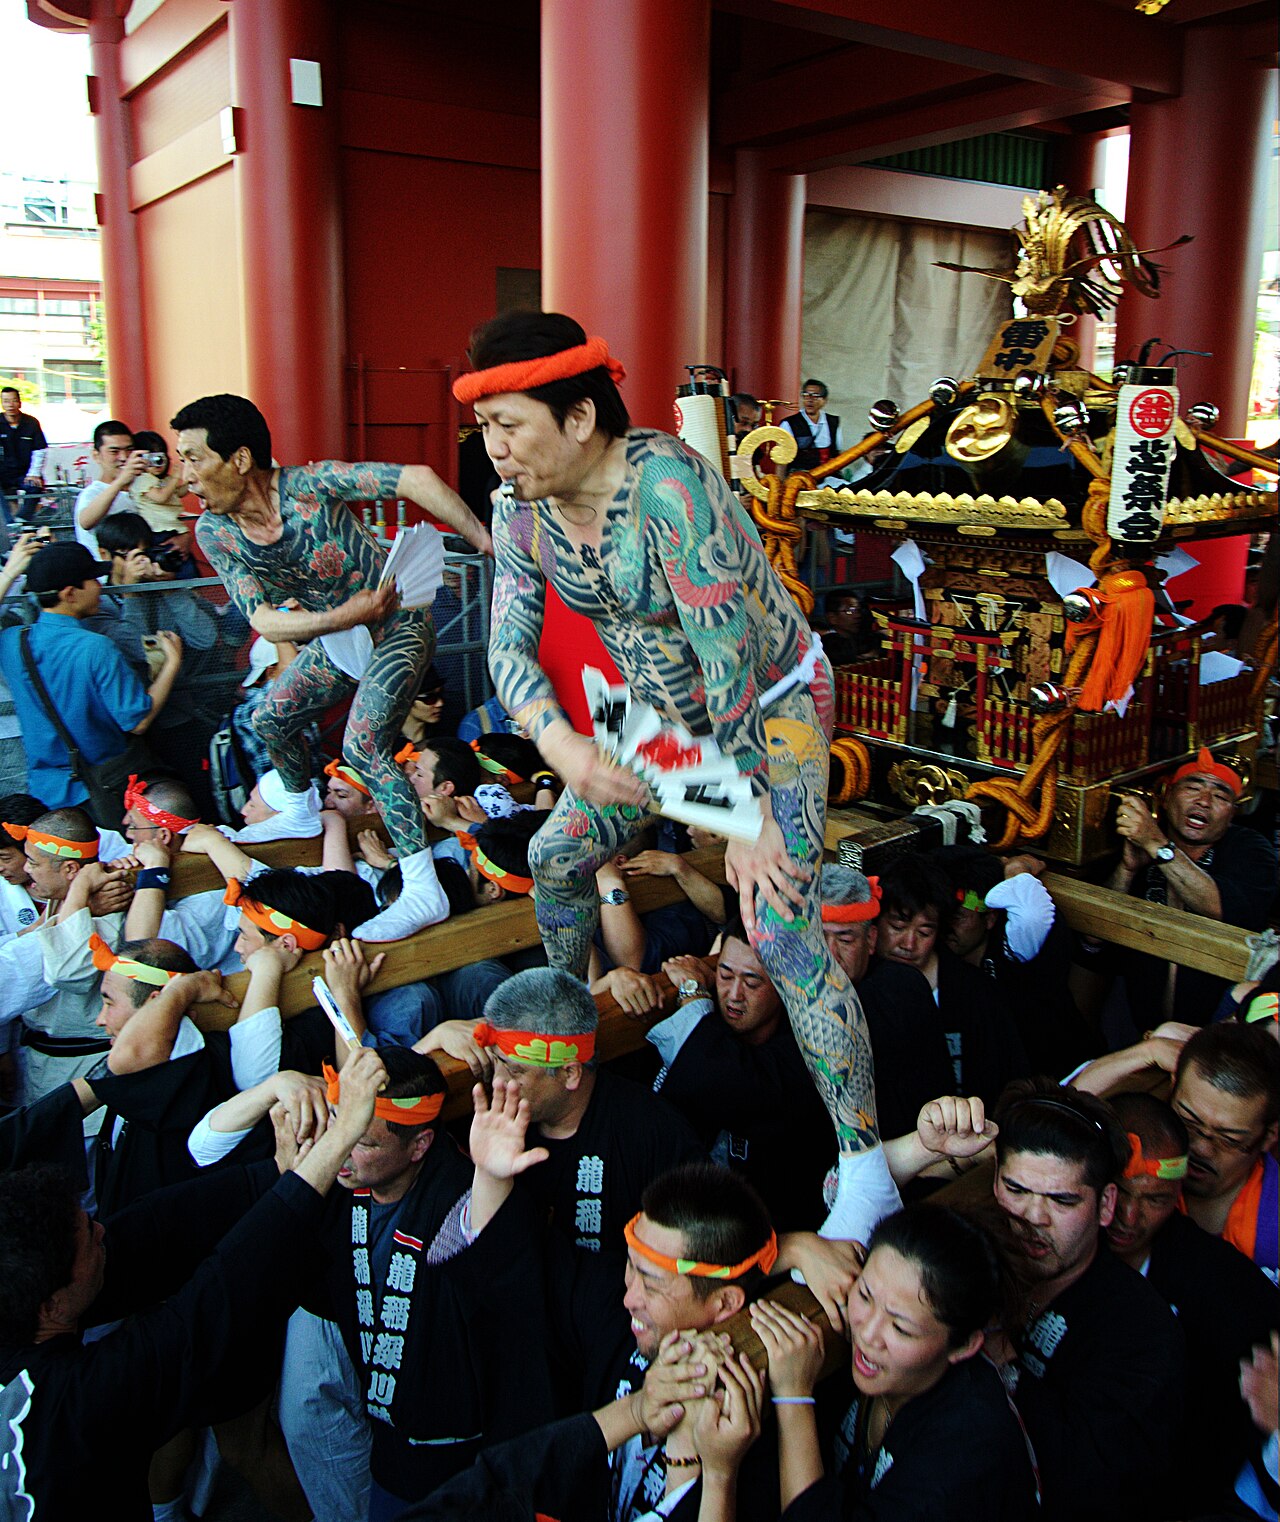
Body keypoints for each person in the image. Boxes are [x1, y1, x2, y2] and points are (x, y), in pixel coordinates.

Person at [462, 310, 897, 1246]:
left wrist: (746, 820)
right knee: (555, 854)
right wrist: (568, 749)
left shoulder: (669, 487)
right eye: (486, 428)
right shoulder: (519, 507)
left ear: (579, 417)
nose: (495, 450)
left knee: (779, 916)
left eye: (511, 426)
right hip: (650, 715)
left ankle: (864, 1166)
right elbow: (506, 646)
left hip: (768, 700)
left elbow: (730, 663)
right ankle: (564, 1028)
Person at [0, 1045, 389, 1521]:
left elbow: (155, 1232)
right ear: (52, 1306)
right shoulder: (75, 1402)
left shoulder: (22, 1296)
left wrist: (279, 1175)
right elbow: (207, 1311)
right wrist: (341, 1136)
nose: (102, 1230)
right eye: (89, 1242)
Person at [172, 391, 492, 940]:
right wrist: (347, 613)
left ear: (241, 459)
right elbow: (266, 622)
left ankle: (422, 889)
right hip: (339, 634)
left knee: (364, 746)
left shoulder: (312, 485)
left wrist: (485, 541)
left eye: (194, 458)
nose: (186, 477)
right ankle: (299, 808)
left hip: (398, 626)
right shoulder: (216, 531)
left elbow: (414, 478)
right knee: (269, 717)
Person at [747, 1203, 1038, 1521]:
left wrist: (793, 1396)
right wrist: (795, 1247)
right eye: (865, 1295)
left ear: (964, 1345)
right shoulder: (867, 1342)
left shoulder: (967, 1450)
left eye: (901, 1328)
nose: (869, 1334)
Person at [991, 1083, 1185, 1522]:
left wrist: (1003, 1358)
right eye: (1017, 1190)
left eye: (1062, 1200)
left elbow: (1100, 1488)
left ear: (1106, 1204)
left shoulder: (1142, 1331)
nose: (1033, 1218)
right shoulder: (973, 1261)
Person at [1106, 1091, 1280, 1516]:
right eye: (1120, 1194)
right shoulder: (1046, 1256)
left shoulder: (1231, 1294)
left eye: (1155, 1199)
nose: (1129, 1217)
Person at [473, 968, 704, 1256]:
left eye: (516, 1070)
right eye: (496, 1062)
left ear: (570, 1072)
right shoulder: (489, 1125)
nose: (498, 1081)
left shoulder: (652, 1132)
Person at [650, 919, 835, 1230]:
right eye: (724, 975)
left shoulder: (809, 1043)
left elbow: (722, 1077)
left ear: (783, 985)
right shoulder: (716, 1028)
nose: (734, 995)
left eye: (752, 983)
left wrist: (693, 992)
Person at [0, 542, 183, 814]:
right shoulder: (96, 647)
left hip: (46, 794)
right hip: (104, 789)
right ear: (70, 593)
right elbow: (138, 721)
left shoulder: (13, 642)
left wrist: (9, 574)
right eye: (93, 580)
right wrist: (172, 663)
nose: (100, 586)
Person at [1101, 749, 1278, 1026]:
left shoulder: (1250, 849)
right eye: (1193, 788)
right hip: (1135, 1017)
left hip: (1221, 1028)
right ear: (1167, 797)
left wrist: (1158, 845)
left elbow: (1218, 906)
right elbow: (1094, 940)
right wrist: (1127, 869)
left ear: (1232, 813)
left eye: (1220, 796)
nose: (1204, 801)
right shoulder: (1140, 845)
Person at [876, 854, 1029, 1107]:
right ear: (875, 924)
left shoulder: (976, 995)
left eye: (924, 932)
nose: (909, 944)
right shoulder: (858, 983)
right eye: (897, 926)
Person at [933, 844, 1098, 1075]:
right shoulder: (936, 953)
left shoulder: (1016, 946)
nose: (948, 926)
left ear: (990, 918)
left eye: (959, 916)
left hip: (1062, 1078)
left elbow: (1032, 916)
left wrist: (1017, 870)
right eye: (943, 915)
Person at [818, 864, 955, 1143]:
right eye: (818, 938)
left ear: (871, 940)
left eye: (845, 939)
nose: (830, 954)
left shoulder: (899, 988)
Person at [74, 419, 147, 559]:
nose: (124, 457)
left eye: (129, 450)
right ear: (96, 455)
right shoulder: (92, 492)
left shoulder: (142, 487)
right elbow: (85, 522)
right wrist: (120, 482)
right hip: (107, 576)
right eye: (114, 451)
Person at [0, 384, 47, 523]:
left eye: (13, 400)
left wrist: (34, 473)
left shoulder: (31, 423)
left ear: (19, 402)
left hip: (24, 472)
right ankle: (8, 523)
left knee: (35, 486)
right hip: (3, 473)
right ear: (2, 403)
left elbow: (39, 450)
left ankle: (22, 520)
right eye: (6, 401)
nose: (10, 404)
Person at [779, 382, 843, 480]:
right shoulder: (789, 423)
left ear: (824, 400)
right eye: (806, 395)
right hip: (799, 477)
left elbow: (838, 453)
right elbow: (782, 458)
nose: (810, 400)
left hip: (828, 476)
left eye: (815, 396)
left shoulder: (833, 423)